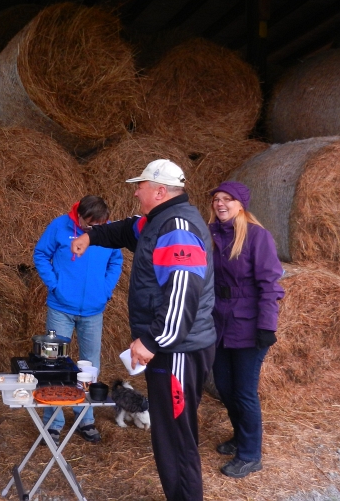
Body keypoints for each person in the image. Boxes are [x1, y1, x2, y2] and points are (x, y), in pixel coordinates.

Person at [71, 159, 216, 501]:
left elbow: (183, 292)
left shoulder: (177, 228)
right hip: (170, 346)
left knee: (176, 436)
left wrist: (153, 340)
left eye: (141, 186)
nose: (136, 191)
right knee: (167, 432)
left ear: (160, 191)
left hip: (177, 349)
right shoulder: (157, 221)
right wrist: (90, 236)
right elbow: (125, 229)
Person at [208, 181, 284, 478]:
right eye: (217, 199)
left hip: (250, 325)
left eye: (228, 199)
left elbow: (270, 285)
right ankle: (240, 437)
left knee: (244, 392)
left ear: (241, 205)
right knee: (225, 388)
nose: (221, 203)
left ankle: (251, 454)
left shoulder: (257, 237)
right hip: (219, 322)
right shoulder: (211, 235)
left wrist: (267, 325)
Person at [33, 195, 123, 444]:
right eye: (88, 224)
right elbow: (41, 254)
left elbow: (116, 261)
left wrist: (105, 290)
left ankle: (85, 418)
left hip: (94, 310)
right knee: (55, 364)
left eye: (98, 225)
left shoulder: (108, 230)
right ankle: (53, 422)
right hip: (61, 307)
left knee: (89, 366)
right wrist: (55, 285)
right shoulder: (59, 226)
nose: (91, 230)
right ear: (79, 216)